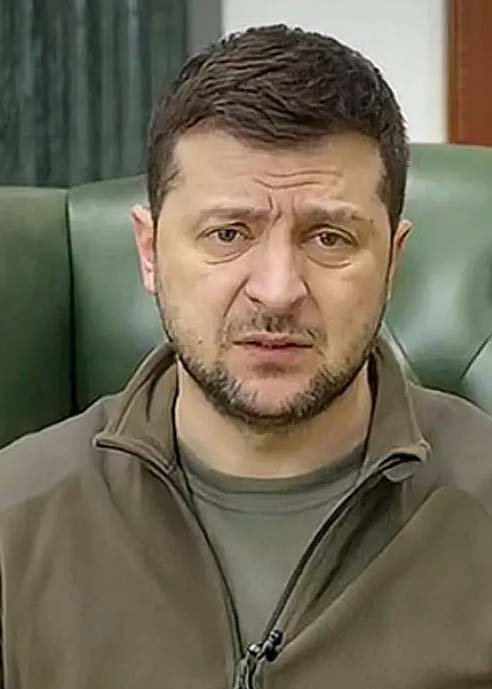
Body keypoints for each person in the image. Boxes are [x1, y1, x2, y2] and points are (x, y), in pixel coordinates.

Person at [1, 24, 492, 689]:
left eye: (328, 237)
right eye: (228, 233)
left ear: (392, 261)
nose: (278, 290)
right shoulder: (14, 524)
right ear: (149, 252)